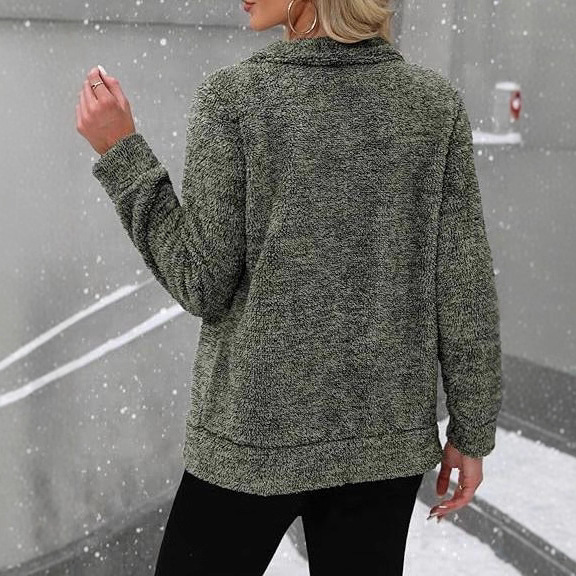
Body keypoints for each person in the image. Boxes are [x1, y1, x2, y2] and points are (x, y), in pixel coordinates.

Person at [78, 0, 503, 574]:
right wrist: (471, 431)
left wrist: (121, 151)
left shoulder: (235, 99)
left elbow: (201, 282)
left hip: (252, 436)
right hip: (382, 443)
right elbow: (463, 287)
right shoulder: (432, 105)